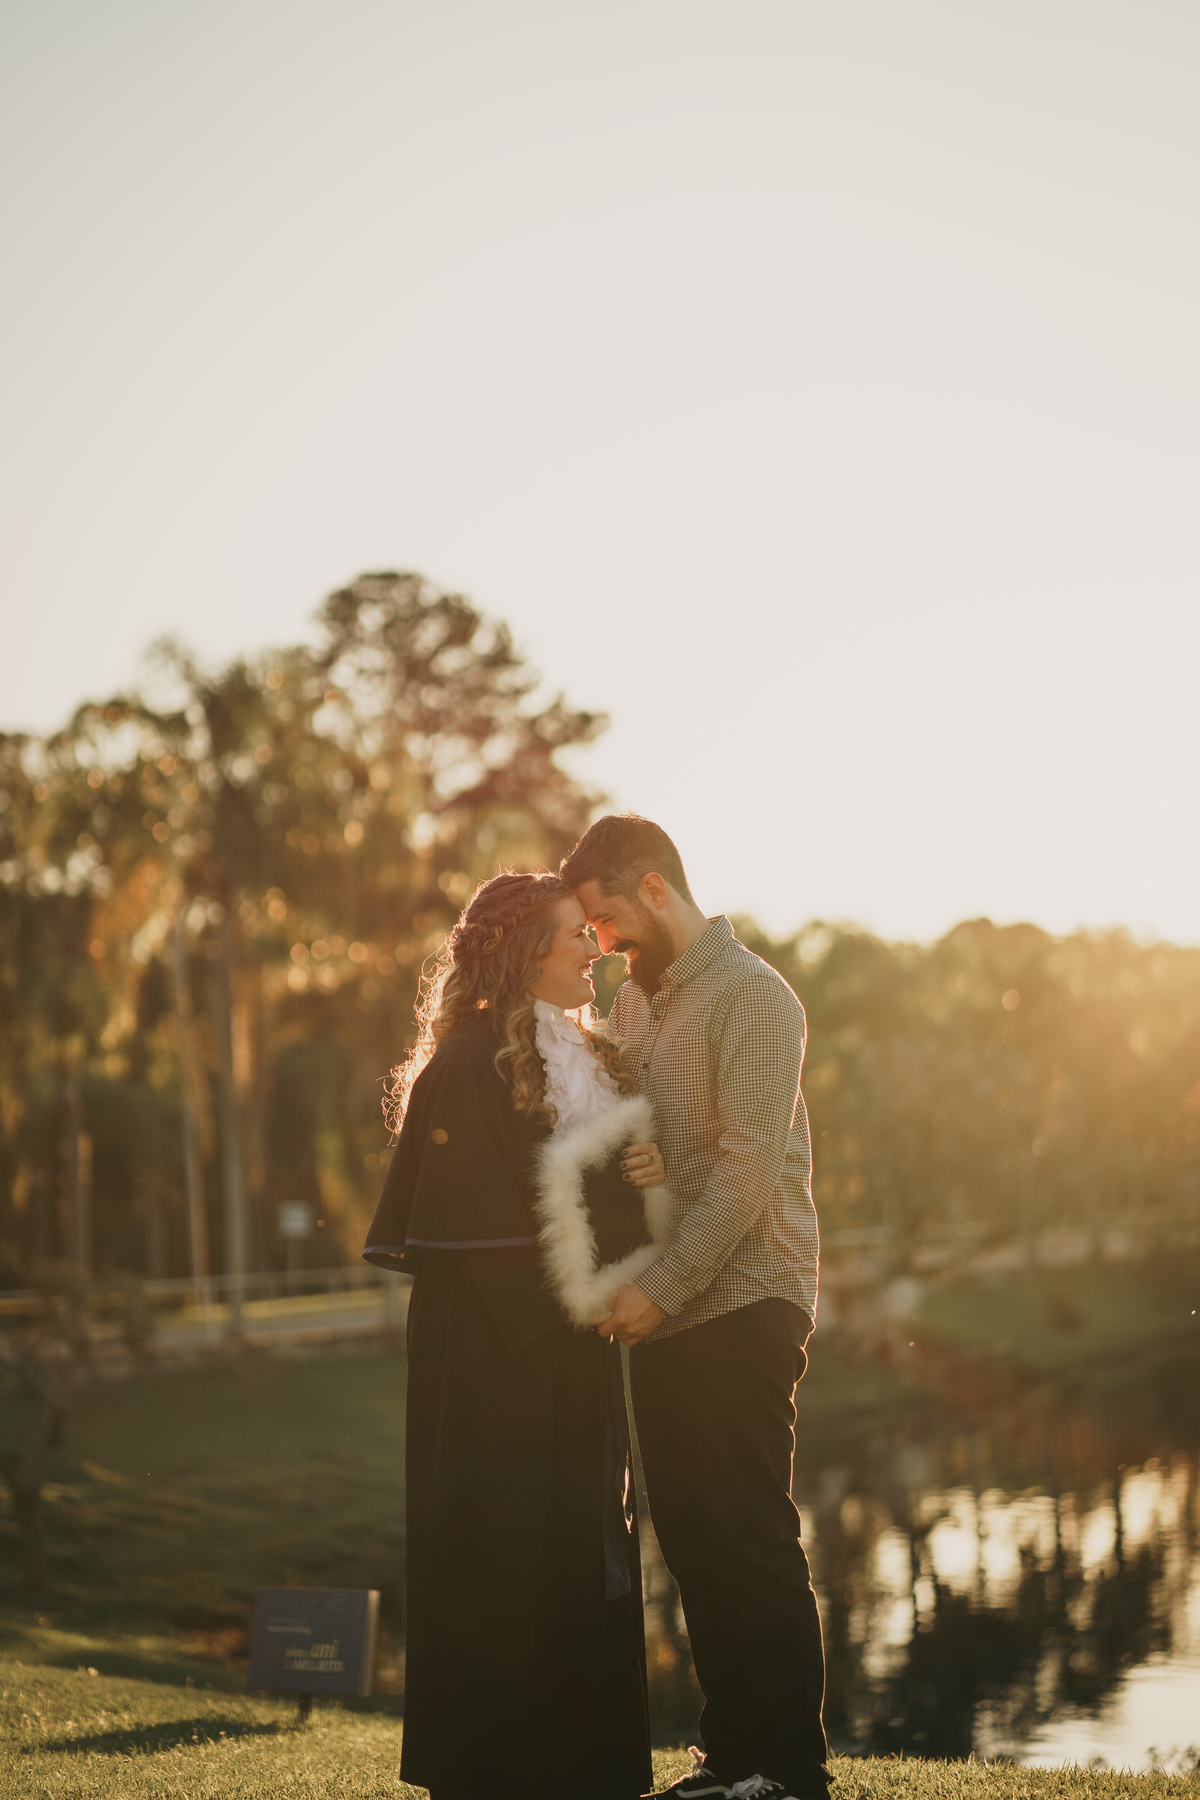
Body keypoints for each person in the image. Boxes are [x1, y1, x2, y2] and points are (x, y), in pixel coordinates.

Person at [362, 870, 664, 1800]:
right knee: (497, 1554)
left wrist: (644, 1170)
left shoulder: (594, 1057)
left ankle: (591, 1769)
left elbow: (596, 1201)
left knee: (586, 1552)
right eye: (576, 933)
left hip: (570, 1356)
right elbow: (481, 1233)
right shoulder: (465, 1063)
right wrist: (581, 1298)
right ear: (526, 950)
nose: (594, 947)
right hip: (491, 1366)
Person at [561, 816, 829, 1800]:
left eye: (607, 918)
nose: (603, 942)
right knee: (693, 1539)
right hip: (667, 1312)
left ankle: (793, 1775)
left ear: (656, 889)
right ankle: (733, 1758)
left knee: (749, 1534)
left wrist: (657, 1289)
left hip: (749, 1299)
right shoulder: (636, 1006)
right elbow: (634, 1128)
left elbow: (748, 1173)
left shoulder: (757, 999)